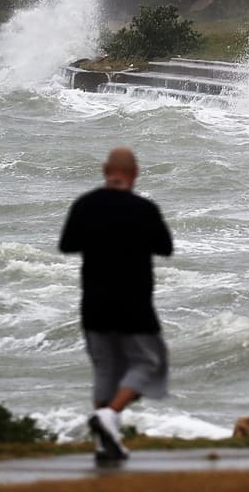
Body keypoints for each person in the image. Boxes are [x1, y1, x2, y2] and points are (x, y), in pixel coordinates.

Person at [59, 146, 174, 464]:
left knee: (105, 370)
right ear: (134, 174)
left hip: (94, 303)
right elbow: (165, 248)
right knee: (149, 362)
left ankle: (104, 444)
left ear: (105, 170)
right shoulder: (144, 209)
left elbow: (67, 245)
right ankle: (110, 415)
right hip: (134, 303)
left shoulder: (85, 205)